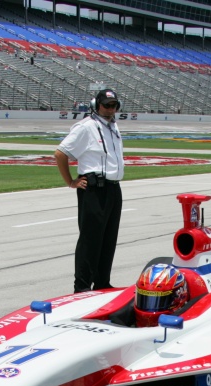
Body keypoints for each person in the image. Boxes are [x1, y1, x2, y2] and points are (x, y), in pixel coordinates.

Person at [55, 88, 125, 293]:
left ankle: (102, 282)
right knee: (90, 239)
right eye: (107, 105)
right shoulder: (86, 127)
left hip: (113, 188)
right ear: (96, 105)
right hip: (94, 189)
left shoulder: (113, 126)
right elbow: (60, 153)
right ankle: (82, 287)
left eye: (114, 106)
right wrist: (70, 181)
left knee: (108, 238)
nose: (111, 109)